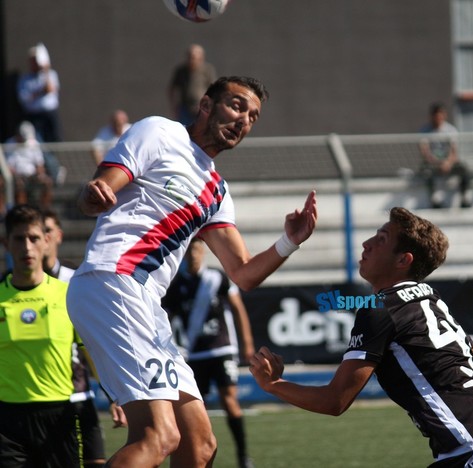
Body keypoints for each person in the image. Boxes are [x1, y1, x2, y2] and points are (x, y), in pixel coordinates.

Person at [66, 75, 318, 467]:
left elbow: (245, 274)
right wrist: (91, 194)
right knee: (158, 436)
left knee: (199, 445)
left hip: (145, 303)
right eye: (236, 106)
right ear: (205, 105)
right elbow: (97, 192)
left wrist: (290, 242)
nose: (243, 120)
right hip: (112, 282)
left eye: (252, 116)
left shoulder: (217, 190)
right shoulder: (160, 132)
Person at [251, 207, 473, 468]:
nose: (366, 244)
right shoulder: (431, 298)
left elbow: (334, 401)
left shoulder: (380, 309)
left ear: (403, 260)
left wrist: (273, 383)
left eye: (381, 240)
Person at [163, 237, 255, 468]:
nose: (193, 254)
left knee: (229, 400)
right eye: (189, 249)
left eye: (197, 248)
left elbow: (237, 308)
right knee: (195, 411)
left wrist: (247, 342)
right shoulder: (176, 285)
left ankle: (243, 456)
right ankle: (197, 454)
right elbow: (166, 317)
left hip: (221, 348)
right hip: (193, 354)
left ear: (203, 251)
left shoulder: (216, 278)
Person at [0, 205, 80, 467]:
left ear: (47, 241)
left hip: (58, 415)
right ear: (6, 243)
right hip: (7, 419)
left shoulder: (69, 295)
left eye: (33, 238)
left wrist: (116, 395)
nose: (26, 247)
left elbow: (92, 350)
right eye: (18, 239)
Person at [43, 208, 109, 468]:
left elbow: (93, 341)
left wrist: (111, 392)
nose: (42, 239)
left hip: (79, 395)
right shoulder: (13, 288)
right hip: (38, 400)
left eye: (48, 231)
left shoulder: (77, 280)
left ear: (58, 235)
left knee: (96, 461)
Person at [418, 102, 472, 209]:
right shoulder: (424, 130)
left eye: (440, 115)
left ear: (444, 115)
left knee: (464, 169)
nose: (438, 118)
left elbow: (454, 151)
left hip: (448, 162)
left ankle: (464, 197)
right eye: (436, 115)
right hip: (433, 163)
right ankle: (434, 199)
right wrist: (436, 162)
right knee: (426, 170)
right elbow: (424, 151)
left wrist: (448, 162)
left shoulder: (450, 130)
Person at [16, 43, 62, 143]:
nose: (35, 63)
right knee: (37, 140)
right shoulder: (25, 79)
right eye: (33, 61)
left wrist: (45, 70)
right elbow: (25, 98)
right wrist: (40, 92)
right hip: (34, 116)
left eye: (37, 60)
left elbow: (51, 89)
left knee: (54, 140)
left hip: (50, 115)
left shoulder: (50, 74)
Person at [3, 121, 53, 210]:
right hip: (17, 175)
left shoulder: (34, 143)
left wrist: (40, 174)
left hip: (32, 175)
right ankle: (22, 210)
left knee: (47, 182)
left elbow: (39, 164)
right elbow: (8, 166)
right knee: (19, 185)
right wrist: (17, 176)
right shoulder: (10, 143)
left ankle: (44, 210)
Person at [168, 44, 217, 125]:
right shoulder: (181, 71)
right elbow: (172, 89)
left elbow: (214, 89)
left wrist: (208, 105)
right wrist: (174, 107)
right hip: (184, 109)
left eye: (194, 57)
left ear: (201, 58)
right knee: (184, 130)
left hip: (201, 108)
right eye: (189, 57)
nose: (191, 60)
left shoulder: (207, 70)